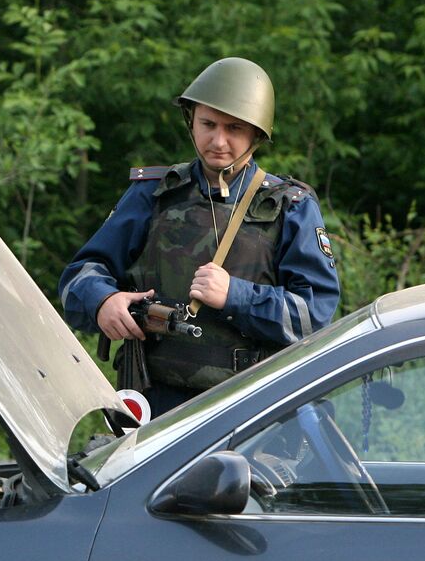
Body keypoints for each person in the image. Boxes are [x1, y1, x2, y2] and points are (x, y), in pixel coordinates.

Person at [58, 57, 340, 414]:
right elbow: (80, 274)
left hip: (250, 409)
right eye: (208, 124)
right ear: (191, 120)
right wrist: (102, 301)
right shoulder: (154, 193)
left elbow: (315, 316)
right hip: (152, 405)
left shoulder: (290, 206)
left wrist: (235, 295)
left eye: (234, 128)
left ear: (255, 134)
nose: (218, 141)